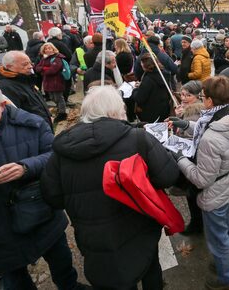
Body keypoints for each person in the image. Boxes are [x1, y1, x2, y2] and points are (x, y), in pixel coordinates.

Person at [41, 86, 178, 289]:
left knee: (116, 279)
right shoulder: (138, 138)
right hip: (139, 223)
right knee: (149, 266)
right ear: (114, 112)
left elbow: (53, 197)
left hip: (93, 234)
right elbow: (168, 176)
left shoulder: (61, 152)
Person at [0, 81, 80, 288]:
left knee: (62, 264)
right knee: (15, 281)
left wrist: (26, 167)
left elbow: (56, 156)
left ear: (2, 106)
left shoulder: (31, 124)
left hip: (40, 216)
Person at [173, 76, 229, 290]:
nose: (202, 100)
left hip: (215, 192)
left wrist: (180, 159)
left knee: (218, 238)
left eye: (203, 97)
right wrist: (187, 124)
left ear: (210, 102)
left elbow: (201, 178)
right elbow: (210, 126)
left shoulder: (211, 139)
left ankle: (227, 277)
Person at [0, 51, 53, 129]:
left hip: (43, 127)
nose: (30, 66)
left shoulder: (26, 78)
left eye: (30, 63)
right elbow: (14, 116)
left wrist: (48, 116)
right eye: (25, 64)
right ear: (9, 66)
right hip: (33, 132)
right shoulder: (5, 87)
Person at [132, 54, 171, 123]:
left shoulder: (148, 79)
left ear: (145, 66)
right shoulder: (164, 74)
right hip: (163, 111)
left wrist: (135, 90)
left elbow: (140, 98)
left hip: (150, 114)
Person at [35, 43, 67, 123]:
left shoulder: (57, 57)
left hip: (57, 81)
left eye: (50, 48)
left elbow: (53, 70)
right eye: (46, 49)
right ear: (43, 50)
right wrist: (45, 68)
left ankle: (62, 113)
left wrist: (43, 70)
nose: (48, 50)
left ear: (53, 49)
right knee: (52, 97)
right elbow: (37, 68)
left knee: (59, 98)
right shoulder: (44, 58)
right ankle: (60, 109)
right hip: (48, 82)